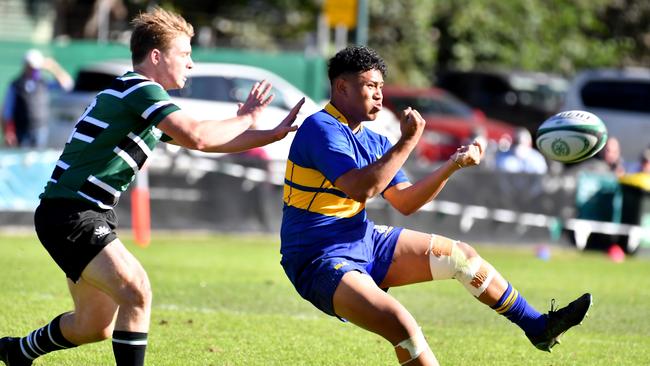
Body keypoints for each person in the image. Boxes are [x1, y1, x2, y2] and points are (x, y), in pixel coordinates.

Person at [0, 7, 303, 366]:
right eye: (185, 54)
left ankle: (16, 350)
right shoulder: (140, 89)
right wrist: (246, 118)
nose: (191, 64)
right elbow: (199, 136)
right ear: (157, 56)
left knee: (93, 326)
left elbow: (201, 141)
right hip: (71, 212)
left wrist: (271, 133)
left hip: (79, 212)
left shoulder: (140, 95)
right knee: (137, 291)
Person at [280, 46, 592, 365]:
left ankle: (538, 327)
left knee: (461, 257)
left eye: (381, 87)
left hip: (362, 239)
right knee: (401, 325)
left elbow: (405, 202)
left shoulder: (374, 141)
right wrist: (407, 142)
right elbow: (362, 188)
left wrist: (452, 165)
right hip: (316, 257)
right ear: (342, 87)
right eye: (370, 86)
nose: (378, 95)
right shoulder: (321, 129)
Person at [2, 49, 73, 148]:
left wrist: (53, 67)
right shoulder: (15, 85)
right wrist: (8, 132)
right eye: (31, 67)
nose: (33, 70)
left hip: (40, 130)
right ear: (25, 66)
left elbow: (67, 85)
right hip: (21, 131)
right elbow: (7, 111)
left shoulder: (44, 83)